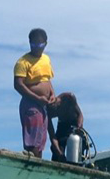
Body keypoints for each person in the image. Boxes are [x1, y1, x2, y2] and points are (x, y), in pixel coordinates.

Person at [14, 28, 55, 158]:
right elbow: (18, 85)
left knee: (41, 140)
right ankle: (32, 162)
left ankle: (38, 162)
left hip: (43, 105)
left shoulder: (46, 59)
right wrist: (37, 97)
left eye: (40, 45)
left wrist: (52, 93)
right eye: (34, 44)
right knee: (32, 140)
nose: (37, 47)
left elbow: (47, 80)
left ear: (46, 44)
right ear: (29, 43)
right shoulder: (23, 62)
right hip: (31, 104)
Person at [47, 92, 84, 162]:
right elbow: (52, 136)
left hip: (74, 123)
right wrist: (59, 152)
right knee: (56, 150)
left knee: (77, 144)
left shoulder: (69, 97)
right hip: (62, 126)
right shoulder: (47, 113)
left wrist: (79, 127)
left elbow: (80, 114)